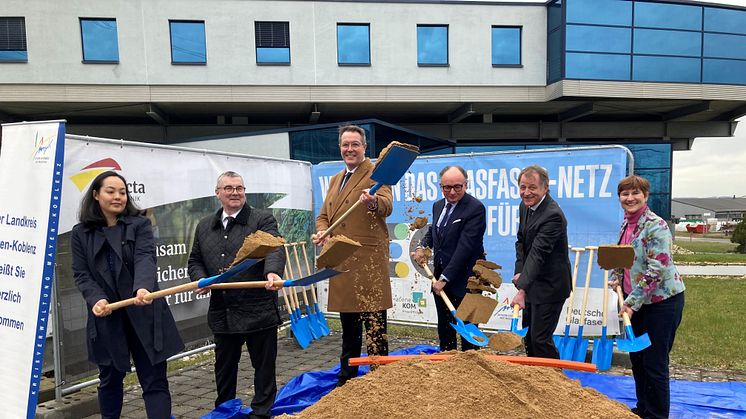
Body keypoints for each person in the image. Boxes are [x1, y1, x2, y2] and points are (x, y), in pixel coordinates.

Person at [71, 171, 184, 419]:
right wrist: (96, 299)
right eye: (110, 191)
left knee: (154, 381)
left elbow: (145, 257)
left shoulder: (140, 224)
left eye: (122, 192)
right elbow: (81, 273)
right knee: (110, 380)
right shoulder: (81, 233)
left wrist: (142, 287)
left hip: (143, 310)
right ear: (96, 195)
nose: (118, 197)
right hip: (107, 317)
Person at [188, 171, 284, 418]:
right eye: (229, 188)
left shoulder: (262, 219)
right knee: (224, 367)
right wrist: (200, 278)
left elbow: (273, 249)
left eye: (239, 188)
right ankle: (224, 410)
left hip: (258, 309)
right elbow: (195, 260)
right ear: (217, 193)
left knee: (263, 367)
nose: (235, 192)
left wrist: (272, 273)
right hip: (224, 311)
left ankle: (261, 412)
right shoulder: (204, 226)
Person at [312, 124, 393, 387]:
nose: (350, 149)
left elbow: (387, 205)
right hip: (343, 259)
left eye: (355, 144)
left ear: (364, 147)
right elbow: (324, 215)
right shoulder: (336, 179)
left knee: (375, 327)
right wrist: (323, 232)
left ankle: (379, 379)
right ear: (340, 148)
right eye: (345, 145)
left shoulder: (376, 173)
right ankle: (347, 378)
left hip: (368, 261)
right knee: (349, 328)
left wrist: (373, 202)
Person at [610, 175, 685, 419]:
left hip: (661, 303)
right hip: (636, 302)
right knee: (639, 361)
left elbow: (657, 269)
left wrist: (631, 303)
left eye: (635, 193)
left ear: (645, 196)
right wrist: (616, 276)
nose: (629, 198)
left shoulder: (656, 225)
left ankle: (657, 415)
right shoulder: (626, 223)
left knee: (654, 363)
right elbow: (622, 256)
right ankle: (642, 410)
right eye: (625, 194)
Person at [412, 166, 486, 351]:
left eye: (457, 187)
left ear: (466, 185)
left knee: (469, 333)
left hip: (468, 281)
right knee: (445, 329)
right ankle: (447, 369)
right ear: (440, 187)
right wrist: (422, 246)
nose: (452, 192)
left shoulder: (475, 208)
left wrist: (445, 278)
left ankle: (470, 373)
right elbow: (434, 231)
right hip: (441, 278)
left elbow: (465, 248)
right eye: (447, 187)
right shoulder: (438, 205)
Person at [510, 165, 571, 359]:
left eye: (532, 188)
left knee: (540, 339)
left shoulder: (553, 215)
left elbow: (538, 253)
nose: (527, 193)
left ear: (545, 188)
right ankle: (535, 380)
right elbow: (521, 241)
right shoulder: (525, 206)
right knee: (528, 337)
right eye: (522, 187)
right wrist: (520, 272)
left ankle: (555, 381)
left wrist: (521, 289)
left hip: (550, 287)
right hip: (532, 281)